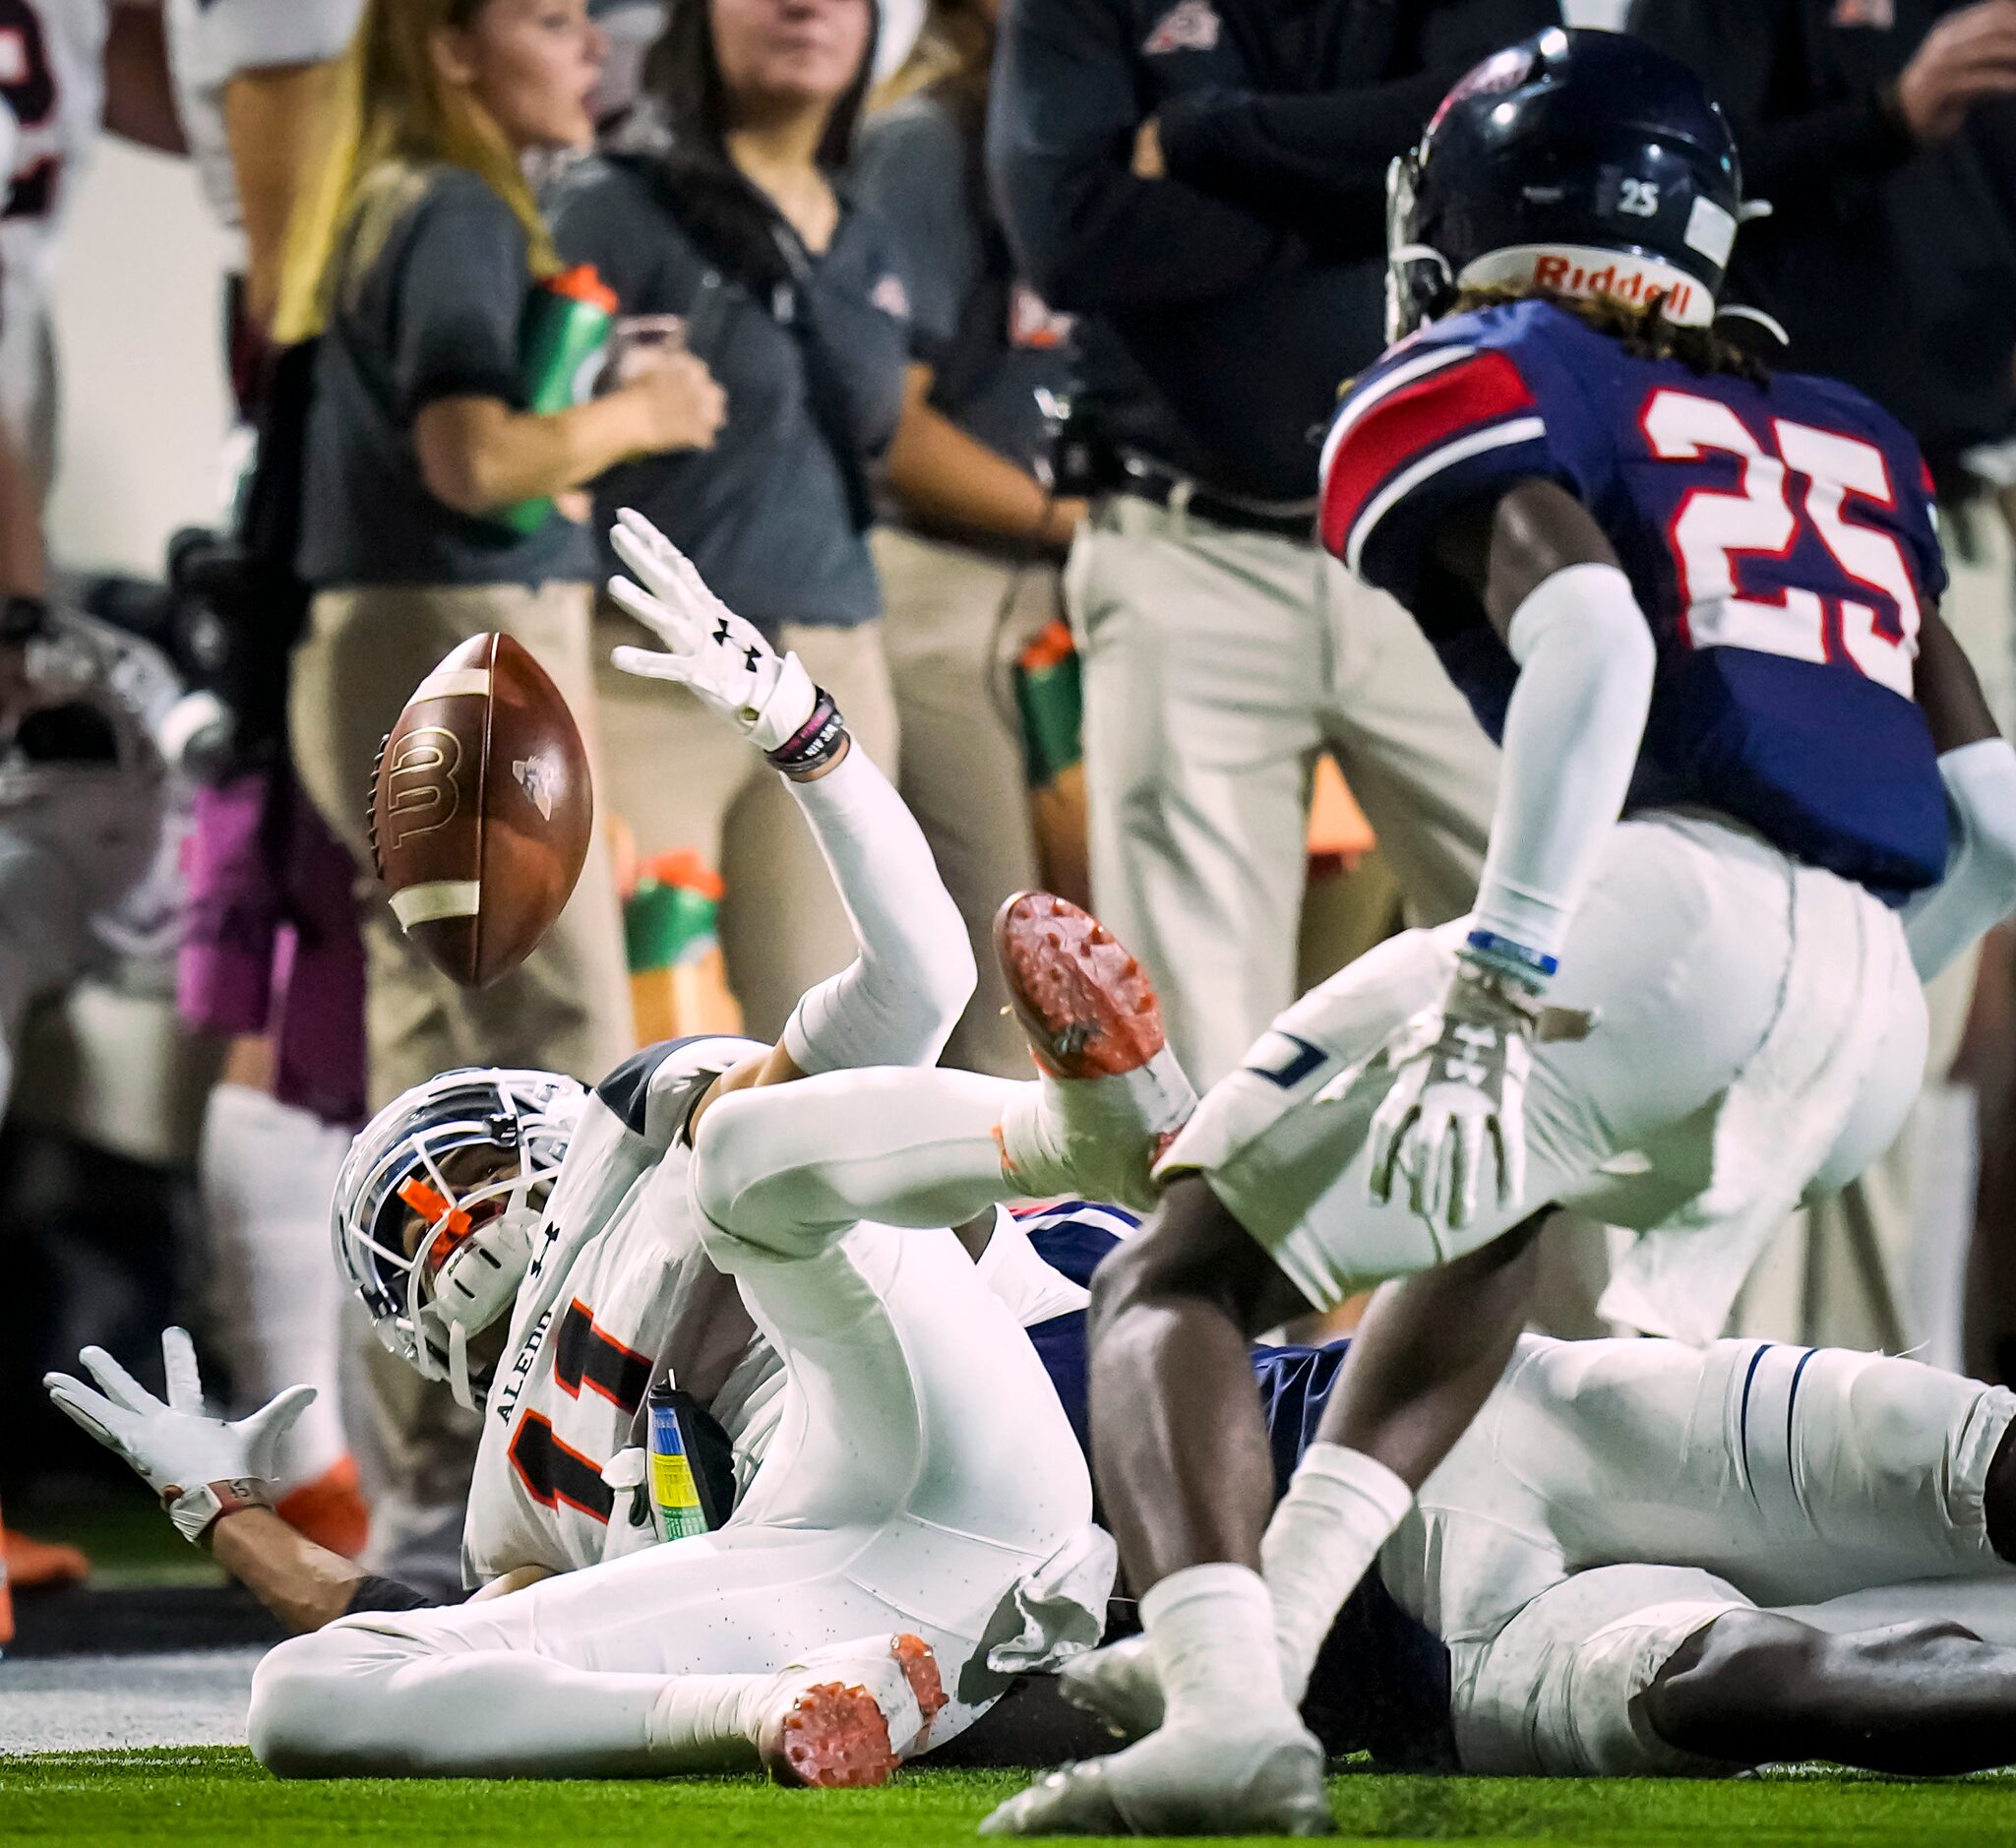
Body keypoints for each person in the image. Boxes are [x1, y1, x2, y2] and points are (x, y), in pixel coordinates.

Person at [980, 29, 2016, 1835]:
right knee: (1495, 1198)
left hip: (1651, 907)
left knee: (1179, 1266)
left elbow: (1597, 646)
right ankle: (1283, 1622)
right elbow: (1995, 824)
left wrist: (1504, 965)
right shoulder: (1846, 434)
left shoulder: (1470, 368)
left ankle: (1220, 1714)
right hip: (1859, 982)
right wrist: (1811, 1021)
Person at [271, 0, 729, 1594]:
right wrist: (642, 418)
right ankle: (550, 1490)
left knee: (428, 1080)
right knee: (561, 1076)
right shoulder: (457, 201)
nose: (588, 45)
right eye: (545, 17)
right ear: (450, 46)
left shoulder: (403, 193)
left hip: (390, 638)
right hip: (446, 640)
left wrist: (574, 423)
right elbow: (470, 457)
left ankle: (421, 1493)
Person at [987, 0, 1561, 1087]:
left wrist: (1213, 145)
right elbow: (1067, 232)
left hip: (1444, 549)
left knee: (1556, 985)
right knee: (1186, 1054)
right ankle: (1212, 1267)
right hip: (1188, 547)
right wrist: (1375, 217)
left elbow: (1519, 153)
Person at [1624, 0, 2016, 1382]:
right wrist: (1883, 120)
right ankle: (1677, 1396)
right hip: (1777, 512)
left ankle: (1854, 1416)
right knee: (1757, 968)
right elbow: (1669, 186)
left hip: (1965, 507)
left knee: (1907, 1011)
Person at [547, 0, 916, 1043]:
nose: (807, 9)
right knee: (624, 1042)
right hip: (650, 678)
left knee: (837, 1042)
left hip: (834, 671)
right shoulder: (614, 207)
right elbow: (532, 432)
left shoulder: (870, 233)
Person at [851, 0, 1087, 1076]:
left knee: (1109, 964)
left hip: (1078, 587)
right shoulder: (926, 139)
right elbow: (888, 428)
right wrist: (1062, 519)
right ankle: (991, 1242)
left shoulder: (1095, 124)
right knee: (997, 987)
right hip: (953, 584)